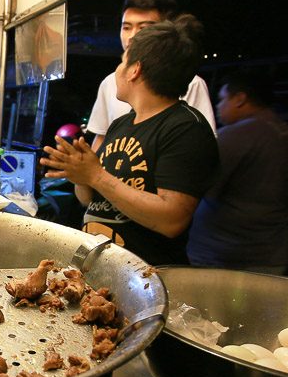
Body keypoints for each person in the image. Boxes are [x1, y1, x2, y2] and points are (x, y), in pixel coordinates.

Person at [41, 15, 218, 265]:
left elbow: (172, 220)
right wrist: (79, 175)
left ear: (135, 70)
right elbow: (90, 200)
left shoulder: (186, 128)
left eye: (122, 62)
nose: (117, 70)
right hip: (100, 269)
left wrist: (96, 176)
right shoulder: (121, 125)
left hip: (148, 279)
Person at [188, 68, 288, 277]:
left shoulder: (236, 136)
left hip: (233, 257)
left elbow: (197, 190)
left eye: (222, 100)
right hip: (280, 253)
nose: (218, 107)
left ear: (239, 99)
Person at [86, 0, 216, 152]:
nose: (132, 36)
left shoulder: (191, 83)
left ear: (166, 30)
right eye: (126, 27)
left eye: (144, 27)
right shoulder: (110, 83)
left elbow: (200, 146)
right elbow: (102, 137)